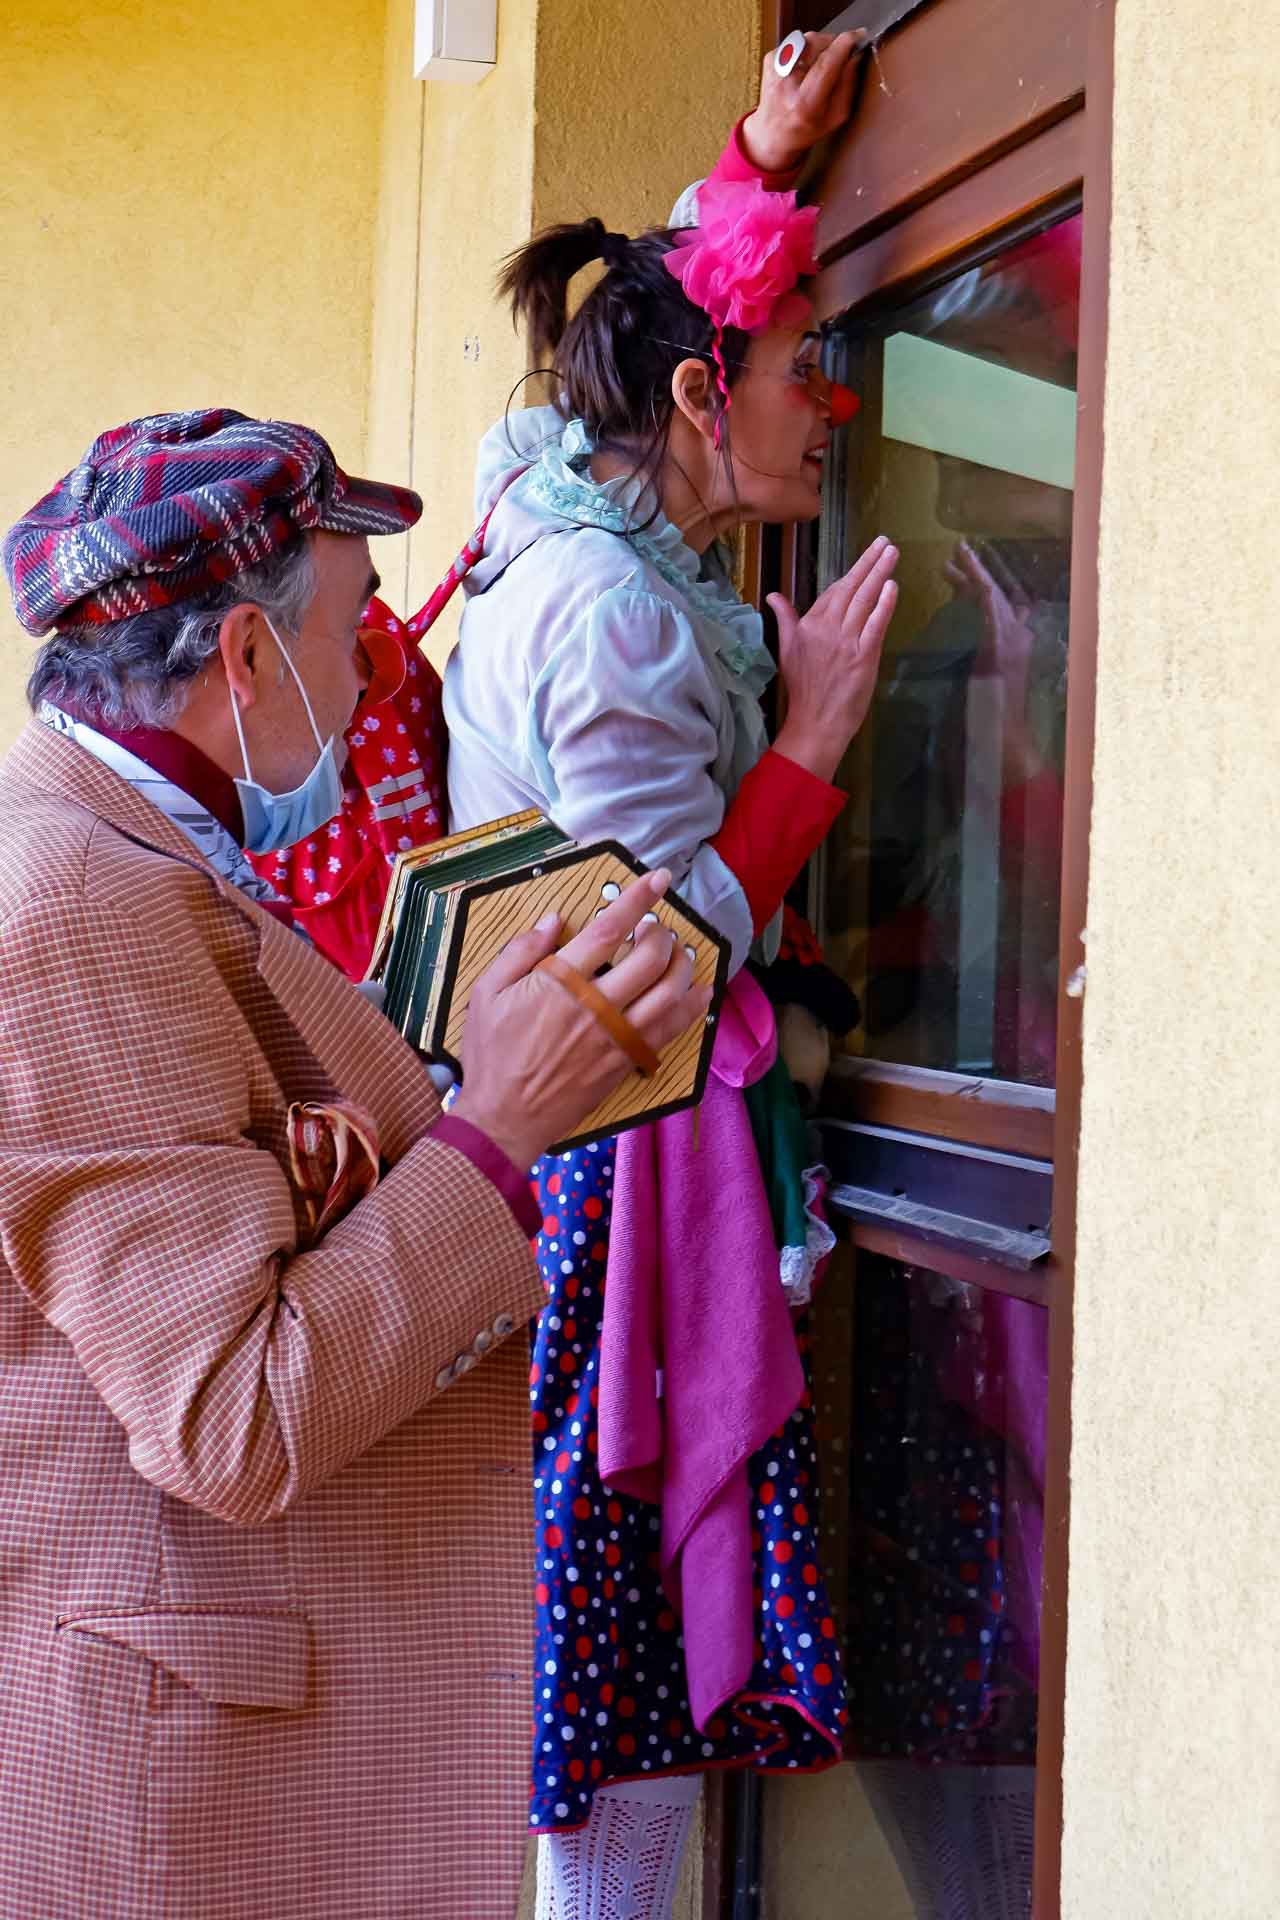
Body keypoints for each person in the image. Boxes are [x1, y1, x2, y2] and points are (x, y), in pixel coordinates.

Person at [0, 408, 709, 1920]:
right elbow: (233, 1415)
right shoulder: (80, 899)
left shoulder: (133, 850)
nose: (377, 677)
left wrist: (439, 1088)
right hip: (178, 1793)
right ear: (245, 660)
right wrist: (496, 1129)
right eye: (352, 630)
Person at [441, 138, 900, 1914]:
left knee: (619, 1663)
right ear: (705, 393)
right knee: (621, 1677)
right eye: (805, 368)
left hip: (606, 1164)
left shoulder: (582, 540)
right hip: (620, 1178)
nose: (834, 408)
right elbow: (656, 955)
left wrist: (764, 153)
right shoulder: (620, 610)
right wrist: (814, 738)